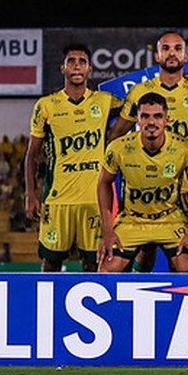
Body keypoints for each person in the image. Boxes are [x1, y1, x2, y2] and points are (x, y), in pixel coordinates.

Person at [25, 43, 125, 272]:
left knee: (93, 263)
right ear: (63, 68)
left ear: (89, 69)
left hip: (94, 200)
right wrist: (30, 193)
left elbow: (138, 106)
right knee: (51, 263)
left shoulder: (105, 101)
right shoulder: (46, 106)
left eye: (82, 62)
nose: (77, 66)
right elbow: (32, 155)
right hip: (58, 199)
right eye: (71, 61)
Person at [97, 92, 188, 273]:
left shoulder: (185, 149)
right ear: (137, 119)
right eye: (145, 116)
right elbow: (104, 183)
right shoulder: (118, 148)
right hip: (132, 220)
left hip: (169, 219)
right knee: (106, 271)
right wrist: (107, 229)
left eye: (157, 116)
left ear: (167, 119)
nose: (151, 122)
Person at [107, 31, 188, 144]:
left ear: (185, 56)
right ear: (157, 56)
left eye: (178, 48)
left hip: (186, 156)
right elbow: (115, 136)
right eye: (165, 48)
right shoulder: (139, 91)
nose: (172, 53)